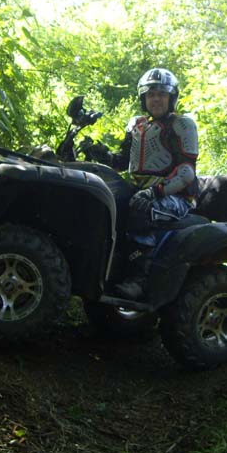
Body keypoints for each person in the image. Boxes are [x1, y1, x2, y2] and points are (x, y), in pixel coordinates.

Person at [83, 67, 199, 299]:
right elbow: (122, 162)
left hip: (175, 196)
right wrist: (99, 153)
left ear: (171, 98)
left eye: (161, 94)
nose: (155, 99)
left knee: (138, 207)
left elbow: (186, 172)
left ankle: (139, 280)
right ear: (143, 99)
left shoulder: (182, 125)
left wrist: (155, 192)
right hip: (143, 190)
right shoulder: (137, 125)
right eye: (150, 94)